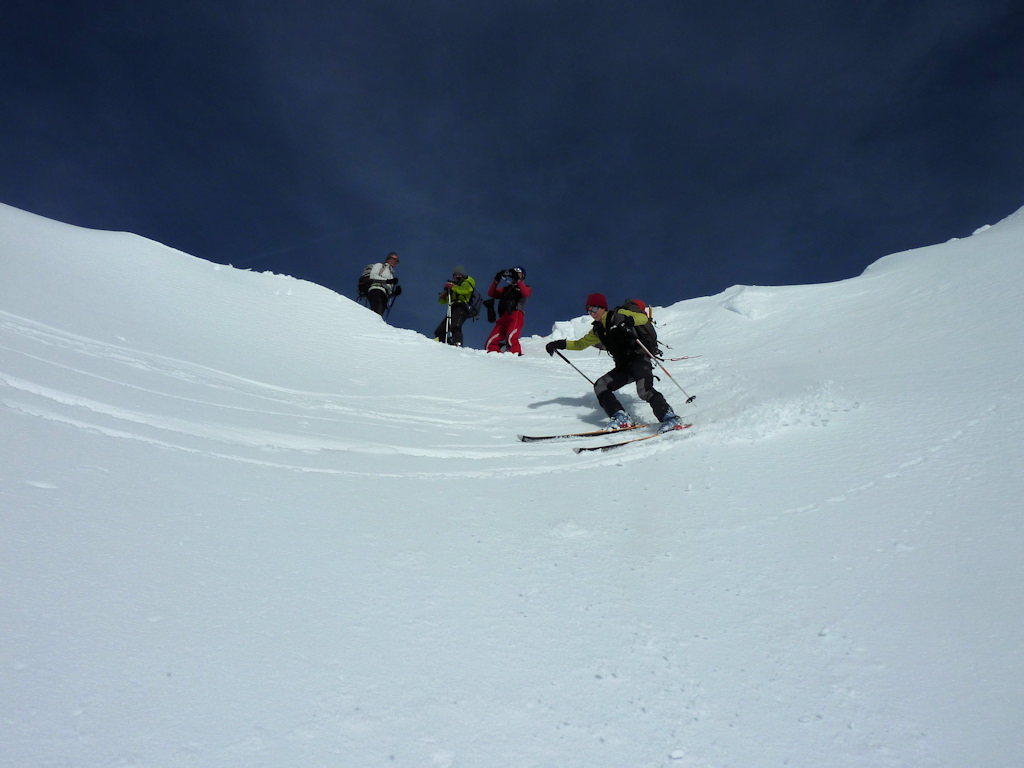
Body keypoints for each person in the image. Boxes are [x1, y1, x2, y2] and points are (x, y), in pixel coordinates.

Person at [545, 292, 685, 433]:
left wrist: (627, 320)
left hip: (639, 359)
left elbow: (642, 318)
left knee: (644, 390)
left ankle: (670, 418)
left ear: (603, 307)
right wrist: (558, 344)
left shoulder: (617, 314)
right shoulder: (598, 330)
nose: (592, 313)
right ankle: (620, 417)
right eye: (589, 311)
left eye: (594, 309)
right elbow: (580, 344)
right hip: (623, 367)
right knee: (601, 385)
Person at [485, 266, 532, 355]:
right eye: (515, 273)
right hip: (503, 317)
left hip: (515, 314)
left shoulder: (525, 287)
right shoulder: (506, 289)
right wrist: (496, 280)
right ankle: (495, 356)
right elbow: (491, 293)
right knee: (490, 342)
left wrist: (518, 280)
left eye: (518, 273)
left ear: (522, 276)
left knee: (511, 337)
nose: (515, 275)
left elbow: (525, 293)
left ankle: (515, 354)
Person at [433, 265, 475, 346]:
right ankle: (446, 343)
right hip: (453, 308)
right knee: (439, 331)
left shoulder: (467, 282)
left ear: (462, 275)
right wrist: (444, 294)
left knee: (455, 326)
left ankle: (457, 343)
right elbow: (441, 302)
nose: (456, 277)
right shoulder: (455, 286)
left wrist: (452, 286)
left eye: (458, 275)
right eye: (455, 275)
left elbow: (464, 291)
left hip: (462, 307)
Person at [365, 252, 401, 317]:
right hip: (376, 290)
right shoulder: (380, 265)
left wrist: (395, 293)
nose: (394, 261)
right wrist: (388, 281)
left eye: (396, 260)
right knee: (377, 313)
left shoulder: (391, 274)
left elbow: (388, 290)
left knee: (378, 314)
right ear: (388, 259)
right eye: (393, 259)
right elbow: (373, 276)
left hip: (384, 296)